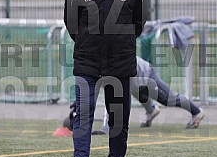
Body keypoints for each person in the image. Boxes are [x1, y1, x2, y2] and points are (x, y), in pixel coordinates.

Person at [63, 0, 147, 157]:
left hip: (121, 62)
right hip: (87, 61)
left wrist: (119, 44)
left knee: (118, 117)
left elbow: (139, 23)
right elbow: (71, 22)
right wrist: (89, 43)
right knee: (84, 112)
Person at [60, 56, 205, 134]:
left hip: (145, 75)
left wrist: (105, 128)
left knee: (168, 99)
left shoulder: (110, 66)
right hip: (132, 80)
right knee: (137, 93)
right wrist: (77, 102)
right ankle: (151, 111)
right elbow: (92, 89)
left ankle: (196, 112)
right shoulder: (99, 65)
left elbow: (112, 103)